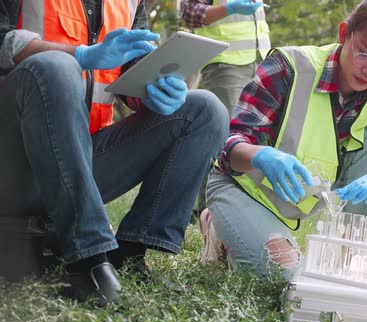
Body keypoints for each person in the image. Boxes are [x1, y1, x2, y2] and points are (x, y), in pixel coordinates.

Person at [0, 0, 229, 306]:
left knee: (204, 109)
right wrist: (79, 56)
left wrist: (152, 89)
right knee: (56, 65)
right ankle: (88, 259)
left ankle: (129, 253)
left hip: (74, 166)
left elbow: (134, 64)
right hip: (11, 165)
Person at [201, 0, 367, 280]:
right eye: (364, 54)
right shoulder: (290, 67)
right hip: (240, 189)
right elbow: (227, 144)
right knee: (287, 280)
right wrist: (261, 156)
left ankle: (347, 257)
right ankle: (216, 225)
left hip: (291, 205)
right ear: (343, 33)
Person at [180, 0, 271, 219]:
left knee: (253, 139)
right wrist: (230, 8)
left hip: (260, 61)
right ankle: (210, 212)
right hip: (226, 64)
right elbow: (190, 13)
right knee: (223, 138)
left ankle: (241, 209)